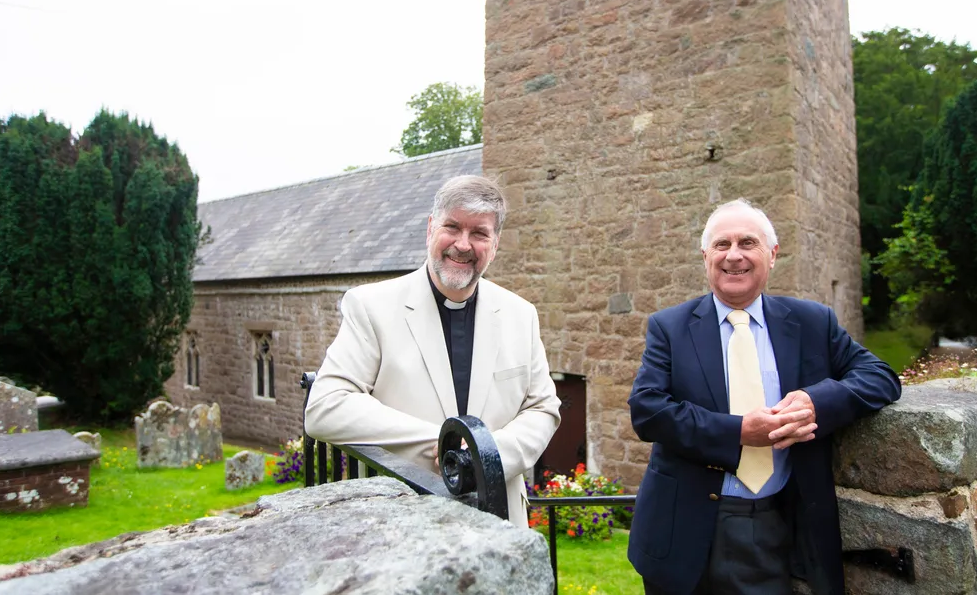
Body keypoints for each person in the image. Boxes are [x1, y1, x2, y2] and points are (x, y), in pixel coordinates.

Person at [627, 199, 900, 594]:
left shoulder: (811, 322)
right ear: (705, 256)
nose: (733, 256)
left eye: (747, 243)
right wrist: (739, 432)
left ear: (772, 255)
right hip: (681, 531)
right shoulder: (670, 327)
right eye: (721, 245)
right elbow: (647, 410)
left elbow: (881, 377)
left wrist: (817, 402)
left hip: (776, 524)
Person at [304, 175, 561, 528]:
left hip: (501, 521)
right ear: (430, 229)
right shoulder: (371, 306)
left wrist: (489, 456)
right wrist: (446, 446)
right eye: (452, 227)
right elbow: (325, 407)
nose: (463, 244)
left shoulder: (522, 314)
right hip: (403, 523)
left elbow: (543, 407)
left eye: (479, 233)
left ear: (495, 244)